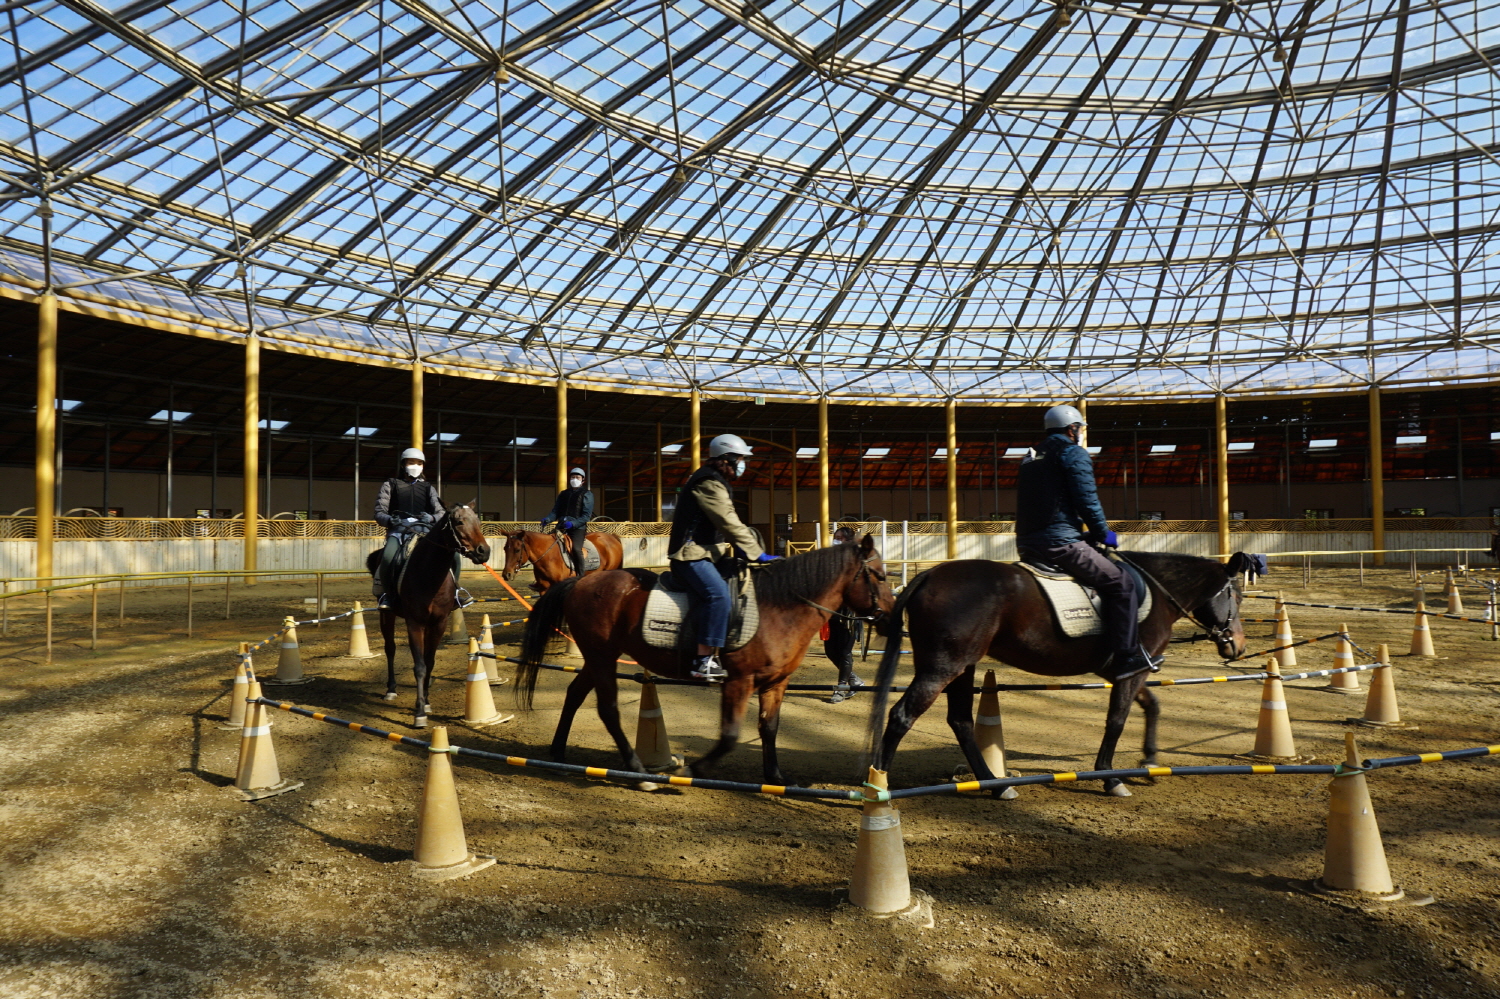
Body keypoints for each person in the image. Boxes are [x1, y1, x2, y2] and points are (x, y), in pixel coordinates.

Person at [1015, 405, 1162, 679]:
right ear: (1072, 429)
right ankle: (1126, 656)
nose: (1081, 433)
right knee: (1122, 584)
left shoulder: (1031, 456)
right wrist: (1103, 533)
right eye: (1080, 429)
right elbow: (1087, 500)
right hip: (1058, 543)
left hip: (1027, 541)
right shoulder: (1072, 453)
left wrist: (1084, 534)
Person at [668, 434, 777, 680]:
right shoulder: (708, 482)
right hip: (690, 555)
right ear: (726, 459)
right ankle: (702, 660)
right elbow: (728, 521)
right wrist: (757, 553)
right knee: (718, 595)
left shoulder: (717, 481)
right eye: (740, 459)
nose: (743, 464)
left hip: (709, 554)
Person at [372, 447, 446, 607]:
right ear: (403, 464)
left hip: (425, 531)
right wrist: (391, 520)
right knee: (387, 557)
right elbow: (379, 512)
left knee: (452, 555)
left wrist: (432, 517)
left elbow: (441, 512)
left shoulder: (428, 488)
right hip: (399, 532)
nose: (415, 466)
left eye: (419, 463)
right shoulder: (390, 485)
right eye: (412, 462)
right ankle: (387, 594)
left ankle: (455, 592)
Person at [824, 525, 866, 703]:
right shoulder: (830, 558)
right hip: (830, 611)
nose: (837, 540)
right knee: (830, 652)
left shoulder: (855, 559)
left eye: (840, 538)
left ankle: (842, 688)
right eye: (836, 537)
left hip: (848, 613)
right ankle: (854, 680)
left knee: (844, 652)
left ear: (848, 541)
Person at [540, 466, 594, 577]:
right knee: (547, 546)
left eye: (577, 477)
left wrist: (573, 523)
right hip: (561, 526)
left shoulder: (587, 494)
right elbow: (555, 511)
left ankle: (580, 576)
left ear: (583, 480)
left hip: (577, 529)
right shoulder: (563, 494)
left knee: (576, 549)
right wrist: (548, 519)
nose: (574, 479)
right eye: (573, 477)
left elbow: (586, 516)